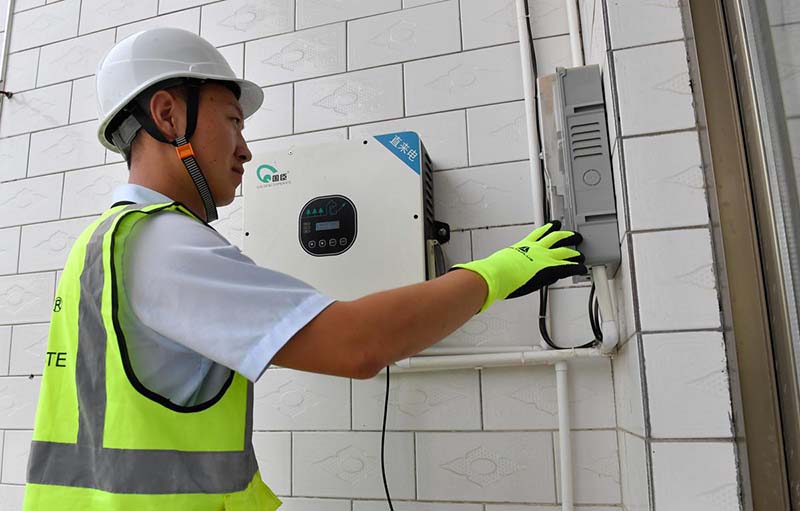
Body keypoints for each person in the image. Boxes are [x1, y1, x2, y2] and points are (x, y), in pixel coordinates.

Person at [23, 28, 587, 511]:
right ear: (169, 114)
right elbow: (358, 345)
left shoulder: (100, 245)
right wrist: (500, 271)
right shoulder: (161, 242)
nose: (245, 150)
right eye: (232, 121)